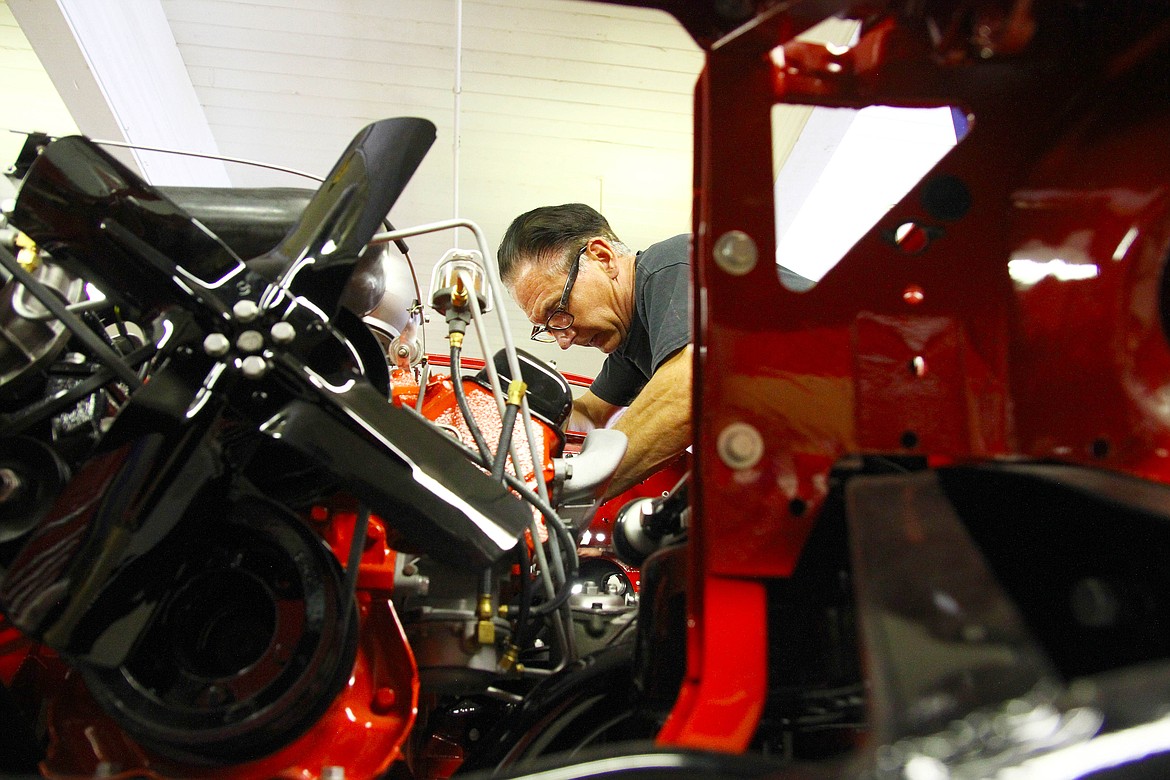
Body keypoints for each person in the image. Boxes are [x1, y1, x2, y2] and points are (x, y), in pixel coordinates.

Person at [497, 203, 692, 499]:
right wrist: (520, 423)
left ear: (603, 257)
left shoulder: (672, 263)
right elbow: (589, 414)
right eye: (548, 327)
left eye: (558, 310)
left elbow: (688, 387)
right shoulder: (629, 339)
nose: (564, 340)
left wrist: (566, 491)